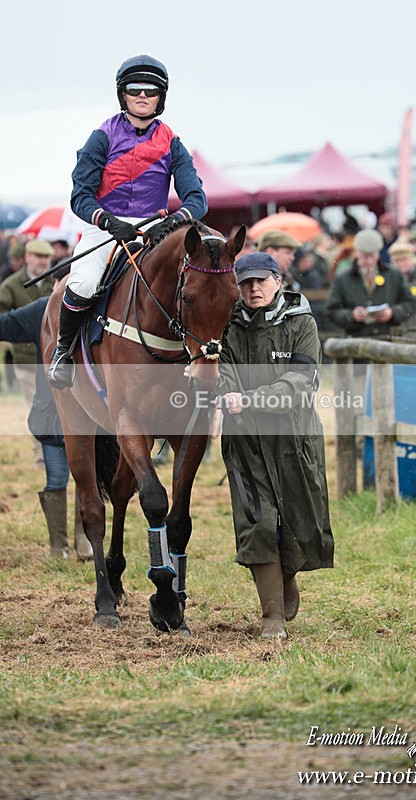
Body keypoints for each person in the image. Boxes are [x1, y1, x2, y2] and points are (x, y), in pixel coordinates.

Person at [48, 54, 208, 390]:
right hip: (105, 226)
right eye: (135, 89)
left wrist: (174, 221)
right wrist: (107, 220)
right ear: (123, 93)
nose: (142, 95)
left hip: (155, 225)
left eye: (151, 90)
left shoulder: (173, 143)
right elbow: (80, 196)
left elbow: (197, 199)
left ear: (160, 97)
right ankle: (63, 351)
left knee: (198, 283)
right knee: (86, 282)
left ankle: (207, 356)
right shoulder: (101, 137)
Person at [217, 252, 334, 639]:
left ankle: (287, 579)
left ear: (278, 281)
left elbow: (301, 380)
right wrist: (227, 393)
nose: (253, 289)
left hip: (294, 437)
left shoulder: (301, 322)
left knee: (299, 518)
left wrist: (252, 398)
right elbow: (224, 375)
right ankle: (272, 617)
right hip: (246, 441)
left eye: (260, 281)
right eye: (245, 283)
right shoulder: (228, 326)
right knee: (258, 522)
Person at [0, 266, 92, 559]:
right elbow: (6, 325)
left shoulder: (96, 306)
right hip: (51, 410)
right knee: (56, 479)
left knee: (87, 479)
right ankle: (58, 546)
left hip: (89, 411)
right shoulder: (43, 309)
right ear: (57, 284)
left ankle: (85, 541)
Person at [0, 239, 55, 463]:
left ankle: (55, 453)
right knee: (37, 405)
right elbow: (4, 318)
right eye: (38, 257)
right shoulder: (11, 285)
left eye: (46, 258)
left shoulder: (56, 281)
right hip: (25, 357)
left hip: (51, 357)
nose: (43, 262)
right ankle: (41, 455)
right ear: (28, 257)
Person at [325, 228, 416, 339]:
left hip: (387, 341)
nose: (368, 261)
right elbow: (331, 311)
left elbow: (410, 304)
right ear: (356, 253)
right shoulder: (343, 278)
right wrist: (351, 315)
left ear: (378, 253)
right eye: (364, 256)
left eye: (372, 256)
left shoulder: (394, 275)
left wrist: (392, 313)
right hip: (355, 342)